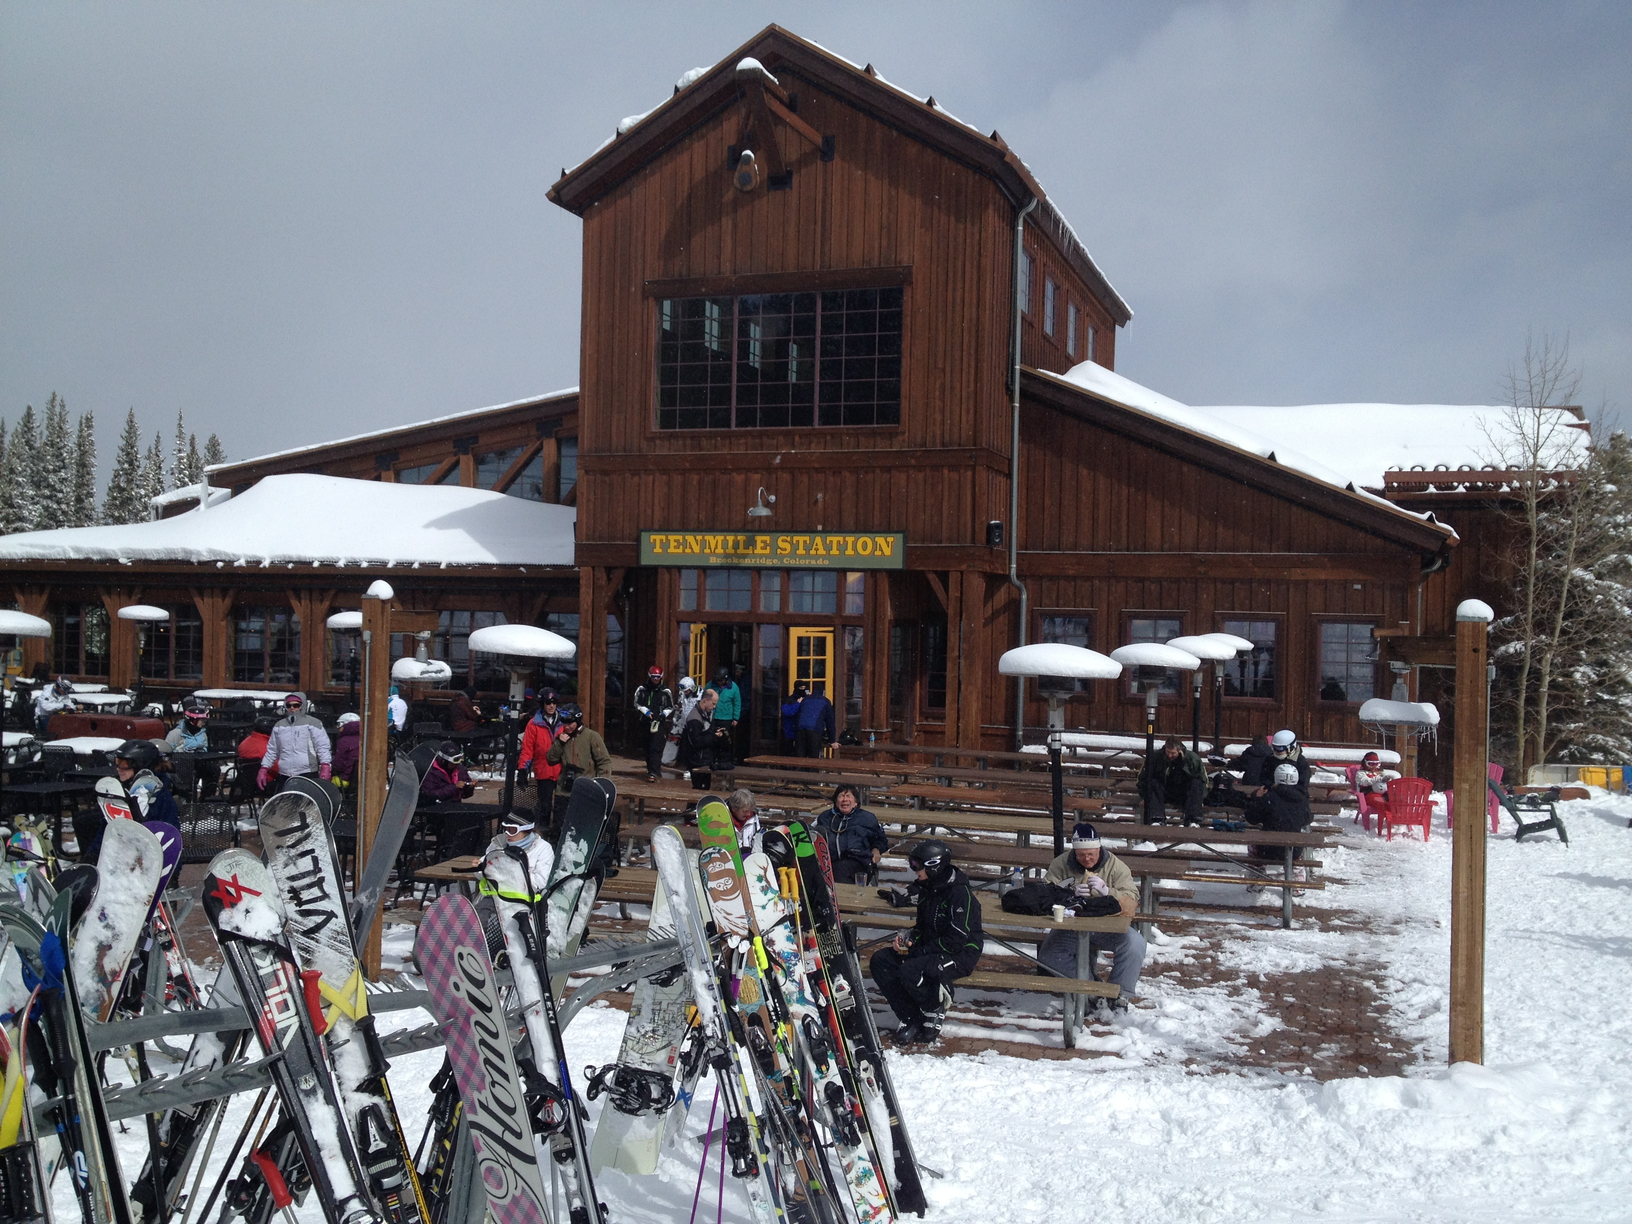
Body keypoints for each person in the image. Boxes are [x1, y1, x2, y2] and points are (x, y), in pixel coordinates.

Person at [869, 839, 982, 1046]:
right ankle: (910, 1016)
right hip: (932, 949)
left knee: (910, 970)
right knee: (881, 960)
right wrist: (909, 939)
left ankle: (934, 1004)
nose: (914, 870)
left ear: (934, 866)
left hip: (960, 954)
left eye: (916, 865)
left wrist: (919, 951)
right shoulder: (927, 889)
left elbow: (956, 939)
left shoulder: (959, 894)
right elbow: (922, 927)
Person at [1039, 822, 1145, 1009]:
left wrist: (1108, 892)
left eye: (1091, 854)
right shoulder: (1060, 864)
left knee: (1135, 944)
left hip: (1109, 926)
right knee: (1050, 955)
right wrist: (1068, 893)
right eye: (1081, 855)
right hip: (1070, 927)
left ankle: (1120, 994)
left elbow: (1132, 901)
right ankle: (1090, 989)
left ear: (1099, 849)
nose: (1086, 859)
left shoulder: (1116, 866)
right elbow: (1045, 893)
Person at [543, 703, 611, 834]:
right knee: (560, 828)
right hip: (564, 790)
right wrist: (559, 743)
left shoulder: (591, 736)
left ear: (577, 721)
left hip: (586, 789)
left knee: (582, 828)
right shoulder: (562, 737)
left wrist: (602, 783)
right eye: (564, 724)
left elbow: (604, 761)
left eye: (570, 724)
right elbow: (551, 759)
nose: (567, 727)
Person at [1252, 729, 1313, 870]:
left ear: (1291, 747)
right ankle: (1258, 868)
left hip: (1292, 799)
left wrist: (1285, 789)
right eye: (1274, 748)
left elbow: (1303, 786)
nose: (1277, 751)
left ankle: (1295, 866)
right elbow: (1263, 778)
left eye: (1280, 749)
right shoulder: (1270, 760)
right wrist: (1272, 788)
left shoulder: (1301, 763)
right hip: (1273, 797)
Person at [813, 783, 888, 884]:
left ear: (855, 802)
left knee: (840, 870)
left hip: (858, 862)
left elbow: (881, 840)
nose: (845, 799)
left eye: (848, 796)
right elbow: (816, 837)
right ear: (836, 801)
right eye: (841, 796)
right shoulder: (825, 817)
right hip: (828, 862)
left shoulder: (867, 818)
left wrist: (876, 850)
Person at [257, 692, 331, 792]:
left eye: (296, 705)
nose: (292, 708)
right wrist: (264, 768)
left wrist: (325, 765)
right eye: (289, 705)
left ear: (302, 705)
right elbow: (273, 750)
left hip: (307, 772)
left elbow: (322, 746)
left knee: (306, 801)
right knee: (286, 801)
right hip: (285, 774)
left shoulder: (313, 723)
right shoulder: (279, 725)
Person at [421, 741, 484, 858]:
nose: (456, 765)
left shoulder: (460, 769)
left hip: (456, 807)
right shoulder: (431, 772)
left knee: (473, 821)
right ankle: (447, 854)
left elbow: (465, 795)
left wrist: (469, 787)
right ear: (444, 761)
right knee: (450, 827)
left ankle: (468, 852)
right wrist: (453, 787)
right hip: (436, 811)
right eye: (453, 762)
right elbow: (429, 794)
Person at [516, 688, 565, 833]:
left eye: (554, 702)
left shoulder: (564, 721)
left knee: (561, 807)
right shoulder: (534, 723)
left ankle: (558, 836)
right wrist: (522, 769)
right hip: (544, 770)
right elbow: (527, 749)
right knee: (545, 807)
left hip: (562, 770)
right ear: (542, 704)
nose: (551, 706)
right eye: (548, 702)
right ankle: (543, 835)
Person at [1138, 736, 1207, 825]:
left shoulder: (1192, 759)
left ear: (1179, 750)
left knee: (1196, 783)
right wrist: (1144, 797)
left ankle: (1193, 819)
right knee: (1152, 783)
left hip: (1184, 793)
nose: (1170, 755)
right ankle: (1157, 818)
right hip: (1162, 792)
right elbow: (1143, 778)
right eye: (1168, 752)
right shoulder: (1155, 757)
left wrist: (1200, 799)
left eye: (1173, 753)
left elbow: (1203, 780)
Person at [633, 665, 675, 782]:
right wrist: (645, 711)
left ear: (661, 676)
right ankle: (650, 769)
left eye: (657, 677)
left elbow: (670, 706)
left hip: (659, 722)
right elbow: (636, 703)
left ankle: (654, 771)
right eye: (653, 677)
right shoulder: (642, 689)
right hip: (645, 721)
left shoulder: (665, 691)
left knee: (655, 747)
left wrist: (663, 714)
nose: (655, 679)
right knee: (646, 747)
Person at [679, 688, 718, 790]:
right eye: (713, 704)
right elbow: (697, 742)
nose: (714, 707)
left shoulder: (708, 713)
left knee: (705, 788)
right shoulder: (694, 717)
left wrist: (716, 731)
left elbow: (709, 729)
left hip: (706, 759)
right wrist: (714, 736)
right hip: (697, 760)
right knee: (698, 789)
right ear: (705, 700)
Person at [707, 667, 741, 771]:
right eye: (717, 680)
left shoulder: (734, 687)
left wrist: (736, 718)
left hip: (727, 719)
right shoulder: (710, 685)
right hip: (713, 717)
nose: (719, 682)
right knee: (713, 740)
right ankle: (713, 762)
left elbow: (737, 703)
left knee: (725, 741)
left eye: (721, 680)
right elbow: (704, 697)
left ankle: (725, 762)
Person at [793, 683, 837, 759]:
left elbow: (798, 716)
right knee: (813, 758)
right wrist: (832, 740)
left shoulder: (805, 700)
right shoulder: (825, 701)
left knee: (800, 758)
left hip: (800, 730)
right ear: (823, 691)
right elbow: (830, 722)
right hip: (815, 730)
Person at [726, 788, 761, 853]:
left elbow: (757, 842)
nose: (748, 814)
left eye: (750, 810)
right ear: (734, 809)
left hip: (749, 856)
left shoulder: (753, 817)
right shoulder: (722, 819)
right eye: (745, 811)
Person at [331, 712, 362, 786]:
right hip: (363, 779)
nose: (338, 728)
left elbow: (338, 764)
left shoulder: (344, 741)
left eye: (339, 725)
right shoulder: (366, 739)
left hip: (346, 779)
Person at [780, 681, 807, 752]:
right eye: (801, 688)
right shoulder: (789, 700)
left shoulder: (806, 699)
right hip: (790, 731)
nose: (803, 690)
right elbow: (788, 712)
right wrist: (798, 704)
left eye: (804, 688)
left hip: (802, 731)